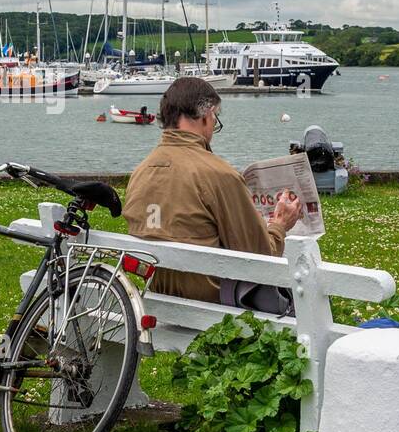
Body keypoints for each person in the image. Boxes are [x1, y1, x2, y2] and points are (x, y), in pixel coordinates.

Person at [123, 76, 302, 303]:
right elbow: (261, 259)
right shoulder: (219, 175)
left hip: (159, 298)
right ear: (206, 116)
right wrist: (279, 225)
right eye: (215, 119)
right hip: (215, 303)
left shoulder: (141, 171)